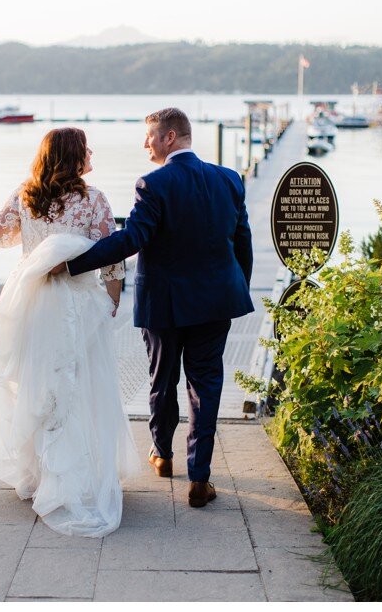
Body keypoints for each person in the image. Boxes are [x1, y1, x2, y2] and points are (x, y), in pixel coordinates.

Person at [55, 107, 254, 508]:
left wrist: (72, 263)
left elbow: (133, 238)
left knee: (162, 379)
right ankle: (200, 477)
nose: (145, 144)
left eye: (149, 136)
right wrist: (236, 289)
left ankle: (161, 454)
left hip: (165, 304)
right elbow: (242, 242)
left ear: (169, 138)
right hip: (216, 301)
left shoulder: (153, 183)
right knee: (206, 386)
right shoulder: (230, 179)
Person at [0, 127, 138, 537]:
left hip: (34, 302)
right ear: (72, 157)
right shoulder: (93, 199)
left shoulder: (25, 195)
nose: (92, 153)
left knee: (39, 382)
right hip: (78, 304)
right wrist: (113, 298)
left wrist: (33, 236)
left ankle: (41, 472)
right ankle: (80, 474)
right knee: (82, 384)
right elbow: (112, 256)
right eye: (87, 149)